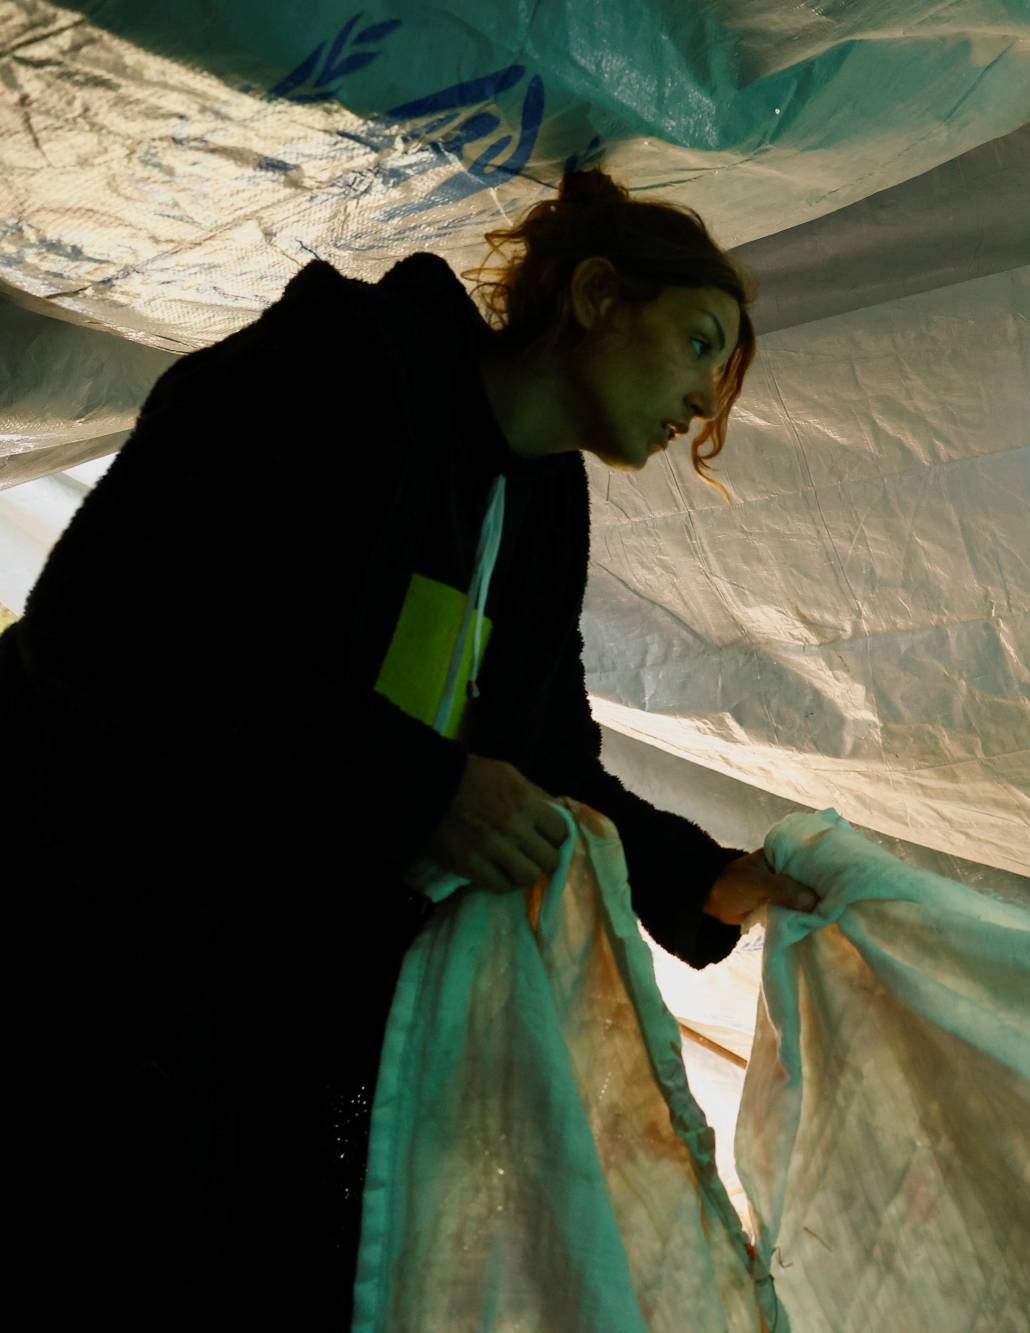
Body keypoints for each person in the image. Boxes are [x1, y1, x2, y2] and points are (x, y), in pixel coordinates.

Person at [0, 169, 816, 1322]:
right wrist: (422, 784)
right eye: (696, 343)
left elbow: (546, 762)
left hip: (261, 974)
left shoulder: (539, 504)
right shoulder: (338, 369)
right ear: (594, 295)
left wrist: (707, 882)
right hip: (83, 921)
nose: (700, 399)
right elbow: (101, 623)